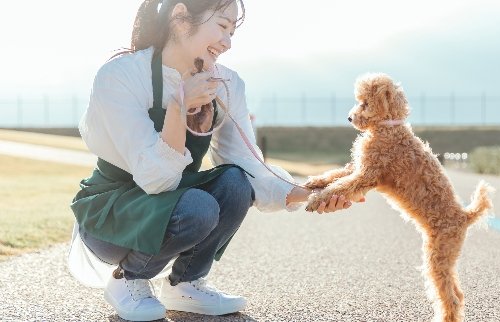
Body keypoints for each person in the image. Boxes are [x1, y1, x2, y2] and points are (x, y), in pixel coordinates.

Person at [67, 0, 360, 321]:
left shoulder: (227, 84)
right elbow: (154, 179)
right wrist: (179, 107)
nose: (228, 41)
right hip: (112, 216)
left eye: (232, 31)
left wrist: (314, 194)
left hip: (172, 203)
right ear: (180, 18)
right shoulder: (121, 75)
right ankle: (129, 278)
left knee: (234, 182)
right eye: (221, 26)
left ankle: (185, 282)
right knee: (198, 206)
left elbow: (250, 166)